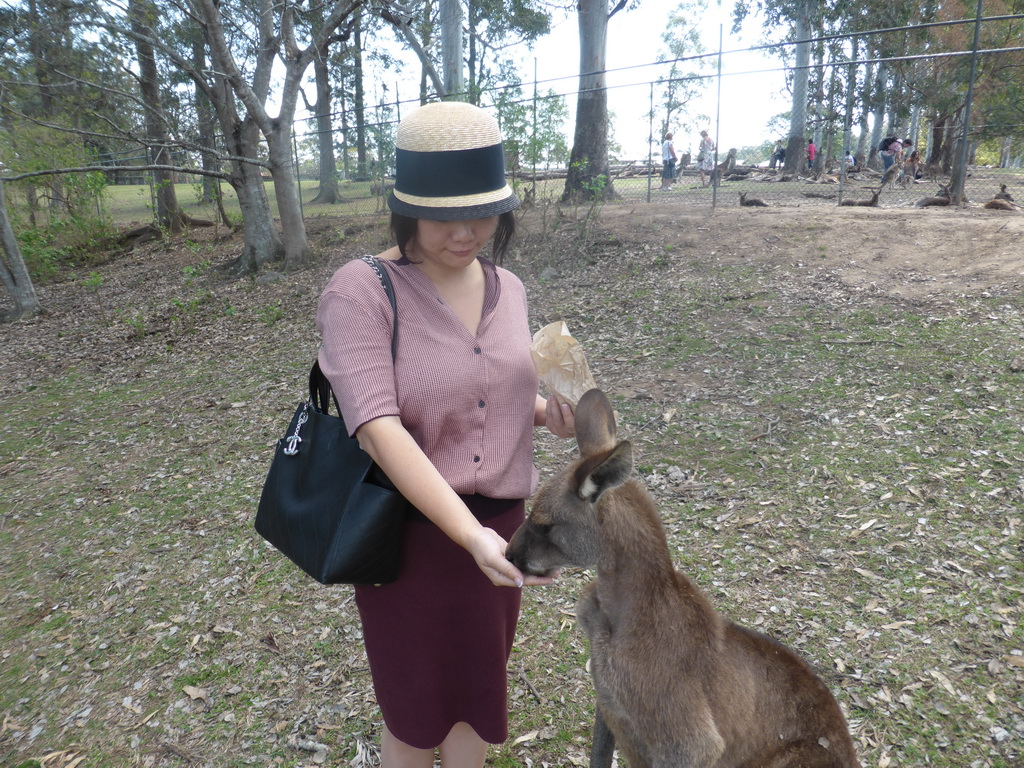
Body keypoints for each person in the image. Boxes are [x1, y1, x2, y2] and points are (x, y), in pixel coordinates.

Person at [315, 101, 576, 768]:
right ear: (405, 206)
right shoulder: (361, 292)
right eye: (444, 214)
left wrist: (549, 411)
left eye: (483, 212)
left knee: (477, 703)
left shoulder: (507, 287)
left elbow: (495, 386)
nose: (467, 232)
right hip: (410, 537)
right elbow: (376, 428)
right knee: (415, 714)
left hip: (502, 526)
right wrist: (466, 534)